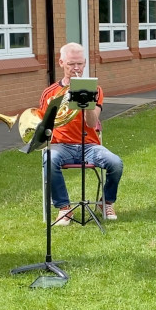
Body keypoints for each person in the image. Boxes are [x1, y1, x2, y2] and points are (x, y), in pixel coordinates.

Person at [39, 42, 124, 226]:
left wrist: (84, 103)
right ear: (61, 63)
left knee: (116, 163)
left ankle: (105, 202)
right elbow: (43, 125)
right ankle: (64, 207)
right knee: (49, 159)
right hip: (61, 145)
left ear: (85, 63)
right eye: (71, 64)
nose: (76, 68)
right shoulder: (50, 93)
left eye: (80, 64)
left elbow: (92, 123)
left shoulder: (95, 89)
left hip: (90, 145)